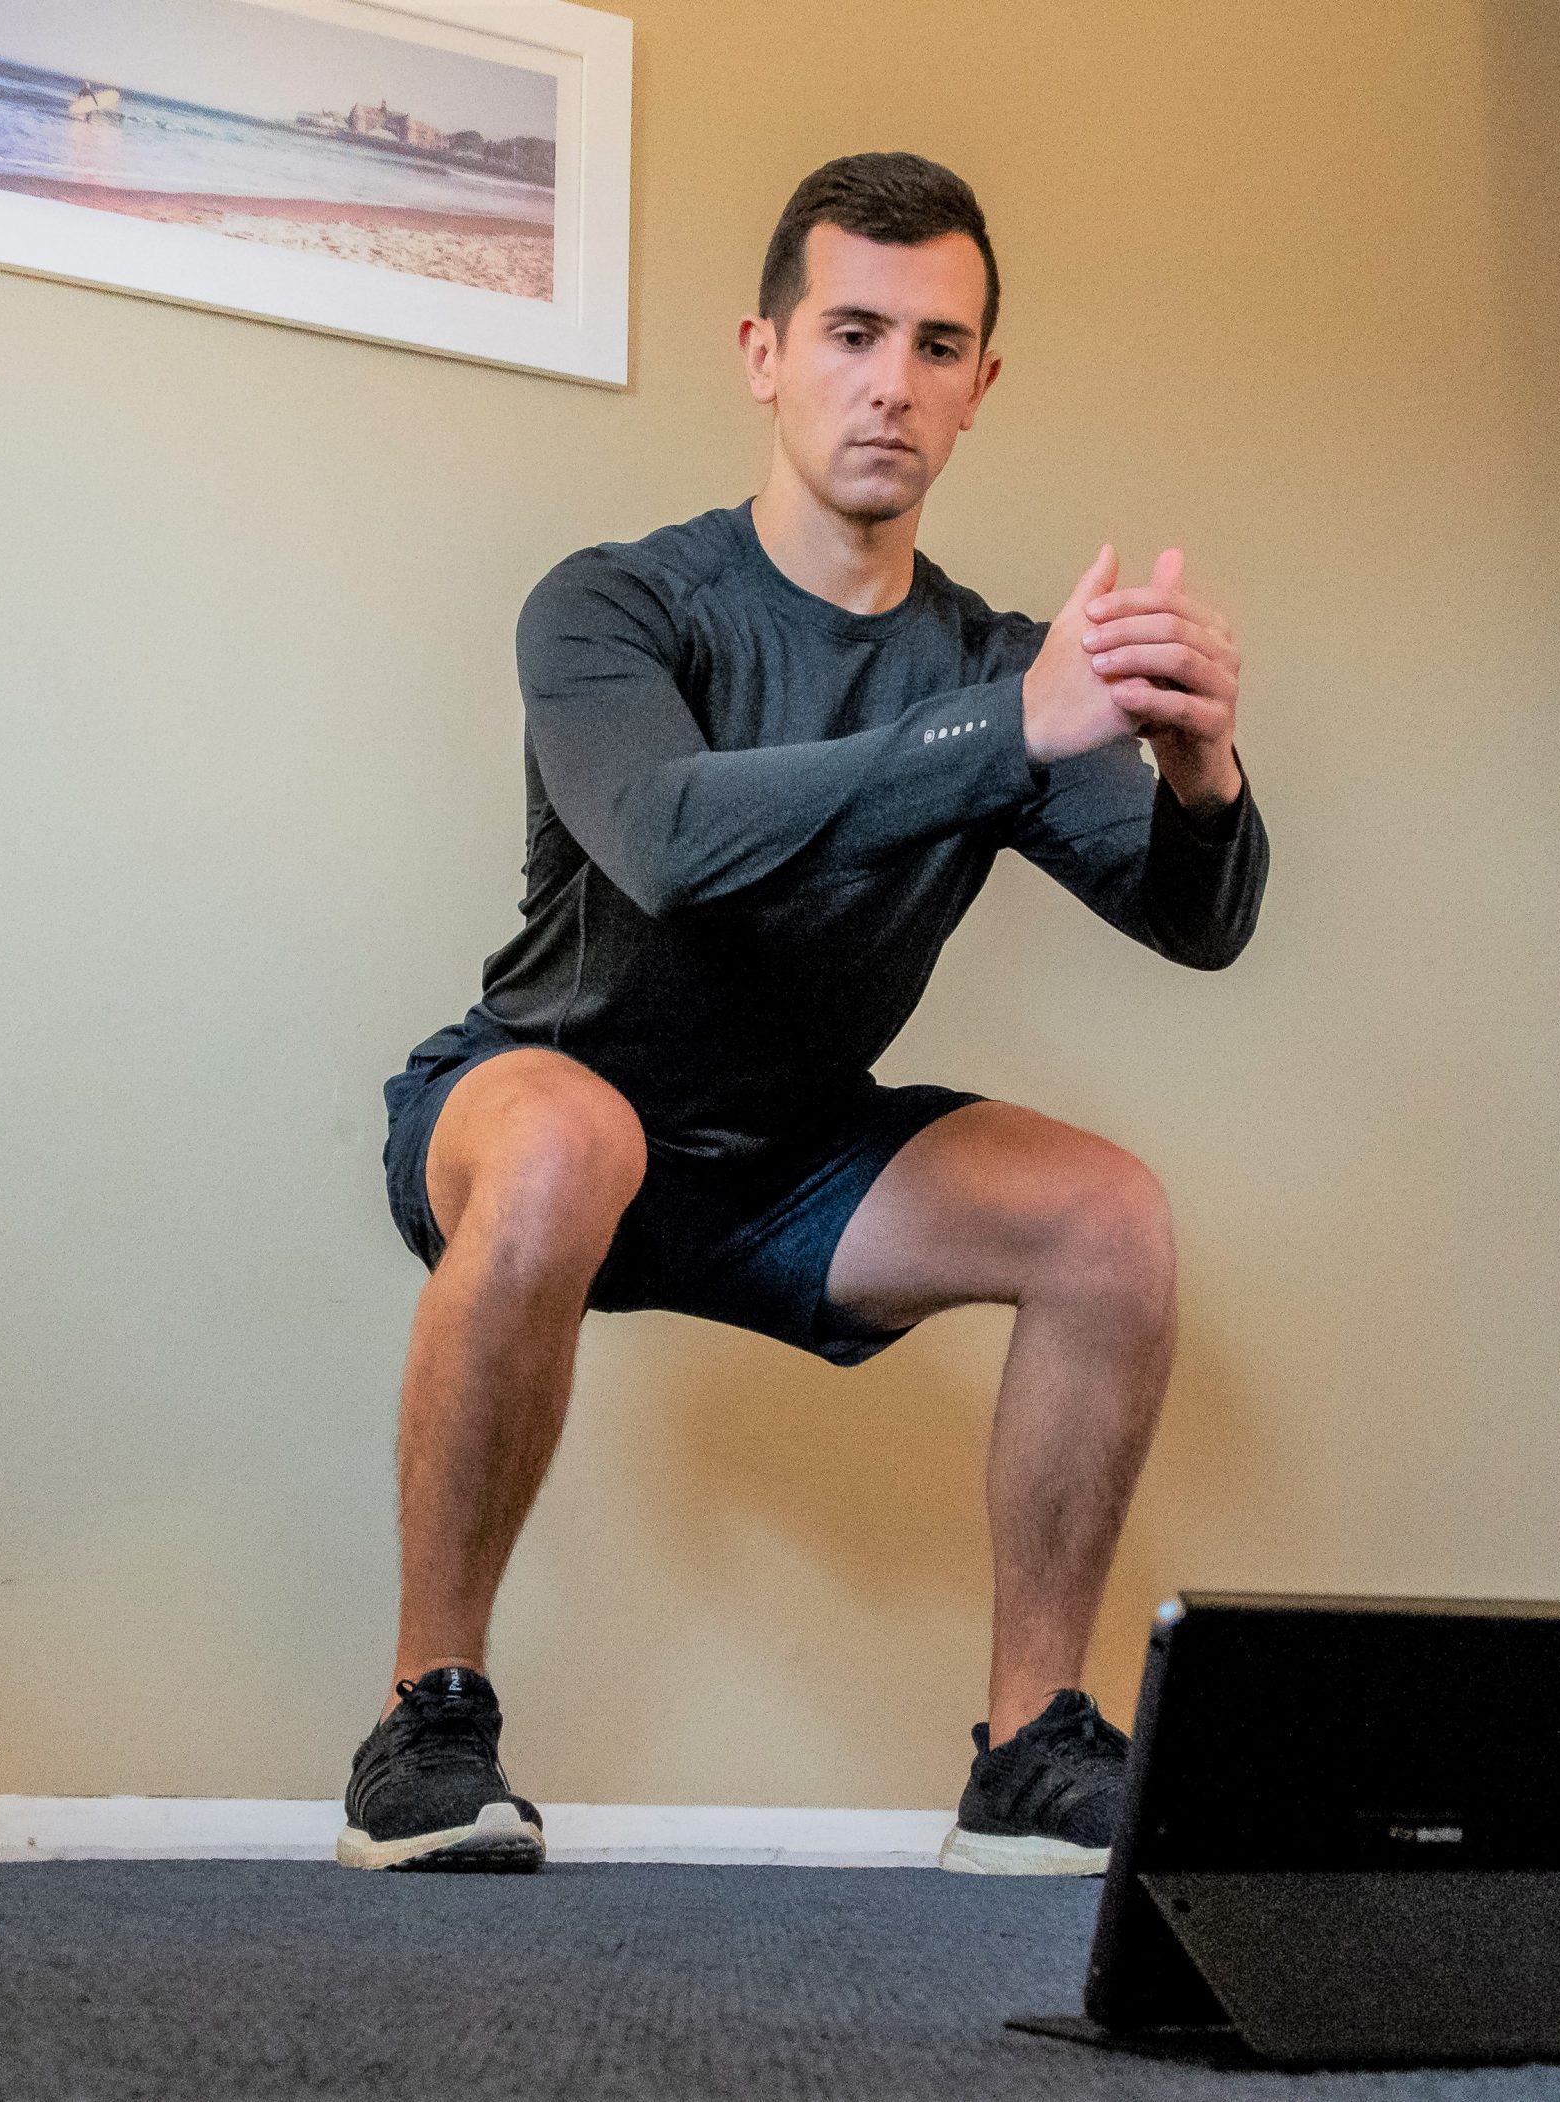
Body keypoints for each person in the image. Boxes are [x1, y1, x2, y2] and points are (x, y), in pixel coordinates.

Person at [339, 151, 1268, 1877]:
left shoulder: (998, 666)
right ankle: (427, 1720)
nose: (890, 383)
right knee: (565, 1140)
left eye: (936, 346)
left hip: (792, 1165)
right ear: (764, 351)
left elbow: (1194, 924)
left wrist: (1201, 772)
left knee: (1108, 1215)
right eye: (852, 331)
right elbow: (677, 845)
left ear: (981, 388)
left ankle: (1028, 1750)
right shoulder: (615, 604)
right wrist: (1019, 728)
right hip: (543, 1106)